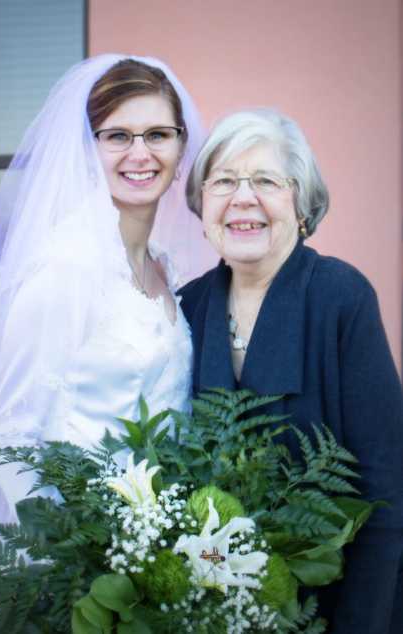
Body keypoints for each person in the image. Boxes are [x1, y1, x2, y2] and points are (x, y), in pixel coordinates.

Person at [0, 53, 207, 604]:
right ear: (86, 147)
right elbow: (6, 437)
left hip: (154, 563)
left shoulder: (164, 265)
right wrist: (73, 560)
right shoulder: (64, 268)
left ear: (181, 146)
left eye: (158, 134)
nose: (140, 154)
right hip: (75, 578)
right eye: (117, 135)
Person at [179, 108, 403, 634]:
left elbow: (387, 487)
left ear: (301, 204)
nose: (243, 197)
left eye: (265, 181)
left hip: (333, 609)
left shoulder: (340, 297)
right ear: (203, 203)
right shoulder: (186, 307)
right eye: (225, 181)